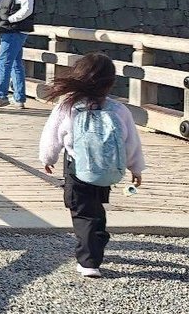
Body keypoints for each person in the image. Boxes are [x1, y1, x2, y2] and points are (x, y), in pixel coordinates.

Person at [38, 53, 145, 278]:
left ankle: (89, 261)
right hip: (107, 168)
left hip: (77, 167)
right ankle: (97, 240)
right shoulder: (118, 110)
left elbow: (52, 136)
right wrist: (135, 168)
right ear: (110, 82)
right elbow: (131, 142)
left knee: (83, 212)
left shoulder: (67, 106)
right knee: (95, 208)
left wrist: (48, 159)